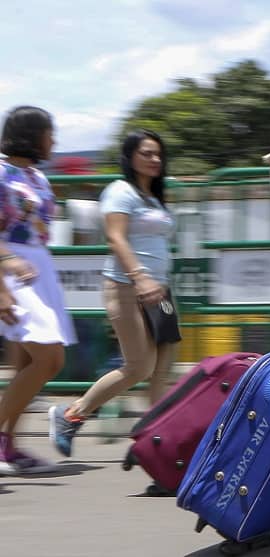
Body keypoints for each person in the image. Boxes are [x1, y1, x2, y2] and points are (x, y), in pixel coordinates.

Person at [48, 130, 178, 457]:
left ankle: (153, 442)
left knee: (163, 366)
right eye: (147, 153)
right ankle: (70, 414)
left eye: (158, 154)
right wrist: (140, 278)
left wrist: (156, 282)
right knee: (138, 367)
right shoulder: (120, 191)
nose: (154, 159)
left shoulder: (154, 196)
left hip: (159, 290)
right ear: (130, 156)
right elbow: (115, 239)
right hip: (127, 286)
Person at [0, 106, 77, 474]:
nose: (54, 141)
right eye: (49, 133)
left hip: (39, 269)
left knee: (35, 362)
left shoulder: (38, 178)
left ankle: (8, 446)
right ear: (30, 135)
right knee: (48, 357)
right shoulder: (1, 173)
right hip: (10, 268)